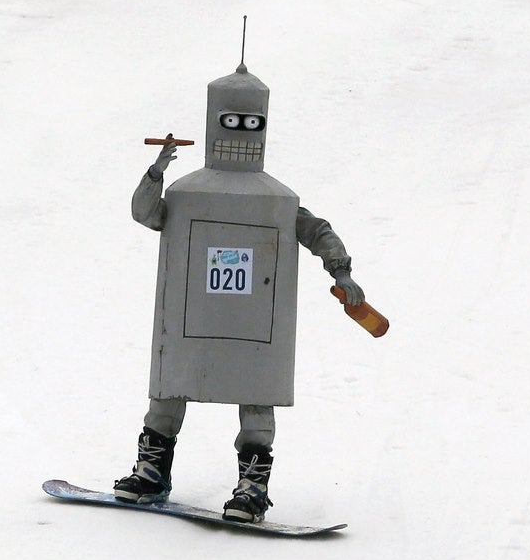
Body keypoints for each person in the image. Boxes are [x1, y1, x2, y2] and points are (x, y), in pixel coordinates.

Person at [112, 64, 373, 523]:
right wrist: (156, 172)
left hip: (255, 323)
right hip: (193, 316)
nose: (240, 131)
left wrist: (342, 271)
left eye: (251, 123)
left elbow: (317, 230)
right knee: (170, 388)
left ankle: (252, 487)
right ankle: (152, 470)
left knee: (256, 396)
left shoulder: (277, 201)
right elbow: (145, 214)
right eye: (230, 121)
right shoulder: (188, 193)